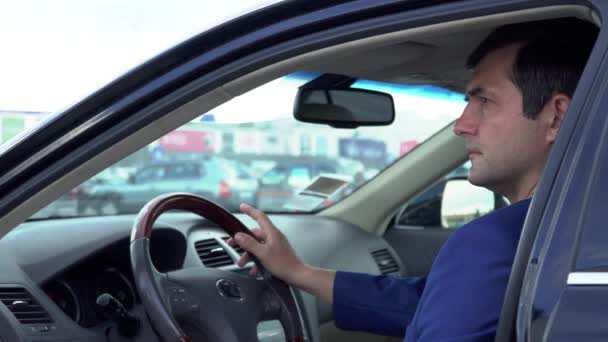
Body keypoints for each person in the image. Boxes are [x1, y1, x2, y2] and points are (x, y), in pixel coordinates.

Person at [228, 18, 598, 341]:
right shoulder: (579, 233)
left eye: (484, 101)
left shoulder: (497, 242)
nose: (461, 125)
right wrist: (299, 273)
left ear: (555, 117)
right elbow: (437, 302)